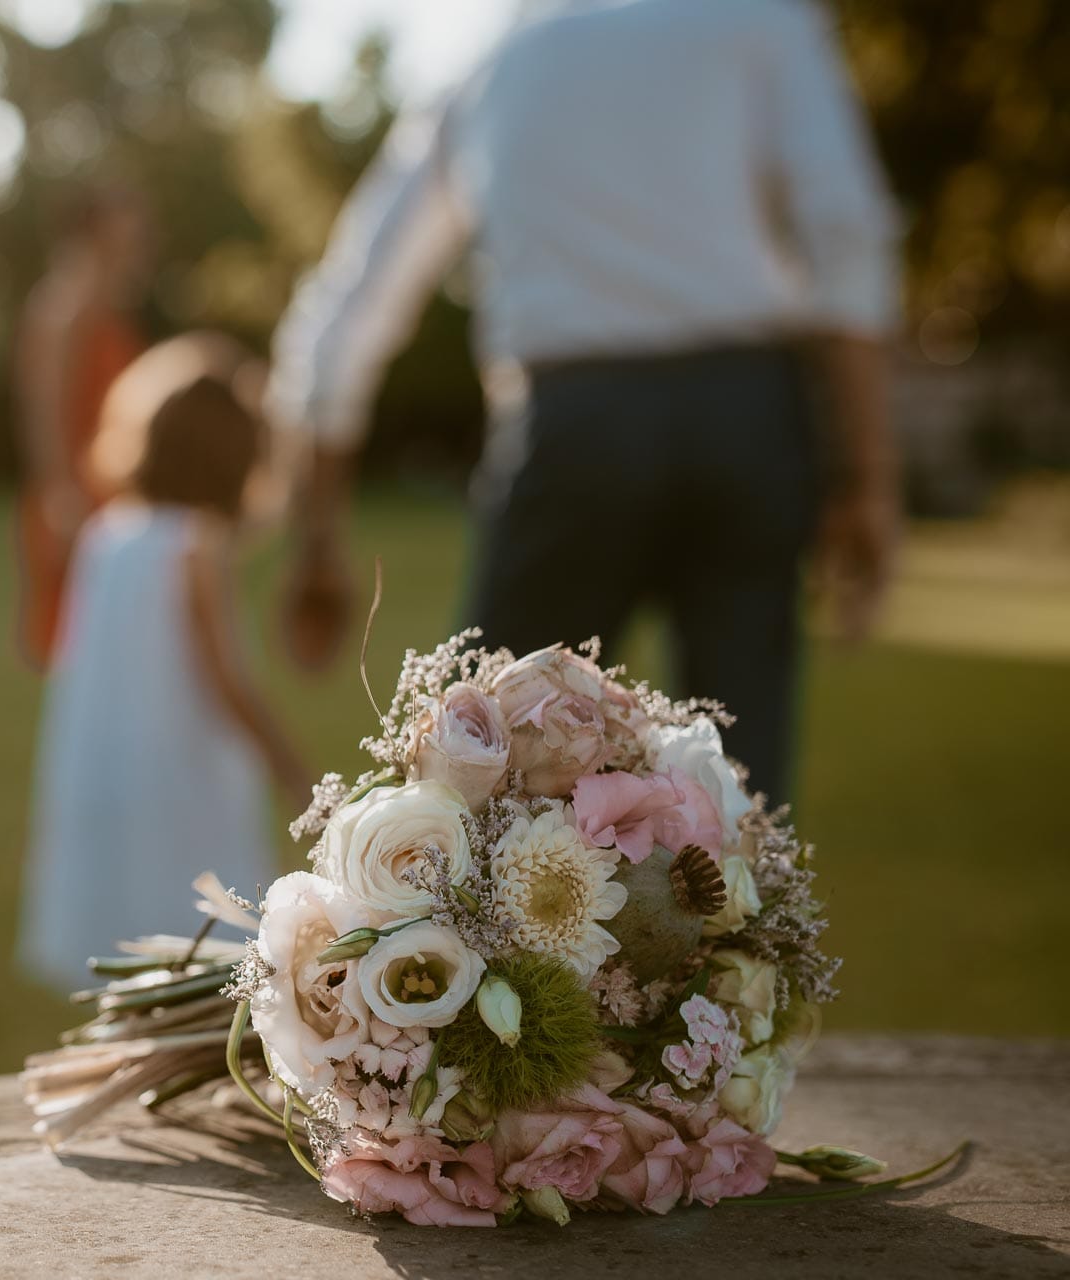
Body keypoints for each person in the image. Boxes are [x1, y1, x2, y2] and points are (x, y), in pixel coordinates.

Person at [266, 0, 901, 801]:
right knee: (738, 807)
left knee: (482, 787)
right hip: (745, 421)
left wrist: (318, 534)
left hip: (575, 431)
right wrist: (868, 475)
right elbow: (846, 235)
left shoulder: (498, 58)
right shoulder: (760, 18)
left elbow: (356, 301)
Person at [19, 335, 309, 990]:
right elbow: (225, 675)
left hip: (110, 763)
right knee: (197, 909)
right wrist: (292, 767)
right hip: (182, 770)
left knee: (128, 893)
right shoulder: (194, 543)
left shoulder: (110, 532)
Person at [12, 186, 150, 669]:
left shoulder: (106, 302)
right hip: (74, 498)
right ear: (97, 227)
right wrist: (60, 492)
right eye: (129, 216)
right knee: (78, 653)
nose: (141, 230)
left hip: (110, 498)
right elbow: (45, 404)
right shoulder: (67, 301)